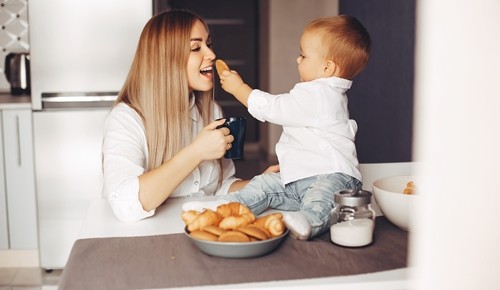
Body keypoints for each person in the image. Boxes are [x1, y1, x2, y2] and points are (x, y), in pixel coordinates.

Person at [183, 15, 371, 240]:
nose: (297, 60)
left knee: (321, 199)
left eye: (303, 55)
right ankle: (224, 207)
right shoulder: (321, 93)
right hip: (300, 179)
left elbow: (273, 108)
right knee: (264, 185)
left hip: (332, 176)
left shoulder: (320, 94)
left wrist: (240, 88)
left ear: (327, 67)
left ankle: (309, 220)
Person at [101, 10, 277, 223]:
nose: (211, 55)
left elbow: (220, 187)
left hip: (199, 233)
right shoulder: (127, 119)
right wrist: (196, 152)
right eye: (196, 48)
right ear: (166, 59)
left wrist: (261, 183)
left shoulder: (211, 111)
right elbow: (125, 205)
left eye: (208, 44)